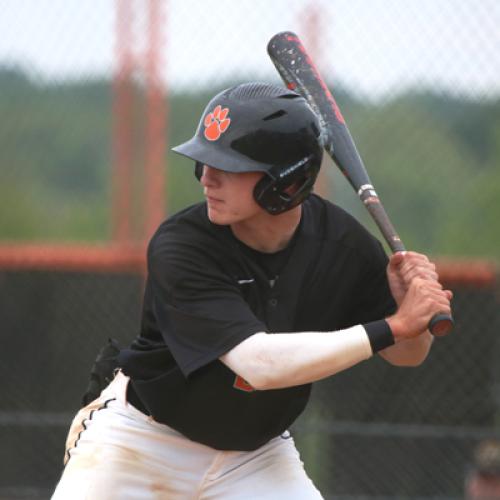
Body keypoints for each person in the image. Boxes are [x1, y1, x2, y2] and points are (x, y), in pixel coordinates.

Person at [52, 82, 452, 499]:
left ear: (287, 181)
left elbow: (408, 355)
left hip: (255, 458)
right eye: (204, 162)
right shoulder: (183, 245)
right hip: (144, 440)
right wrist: (393, 325)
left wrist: (415, 318)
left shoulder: (343, 246)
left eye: (228, 165)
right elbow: (257, 365)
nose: (207, 178)